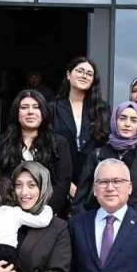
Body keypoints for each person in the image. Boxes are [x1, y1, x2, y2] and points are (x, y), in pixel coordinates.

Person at [0, 89, 73, 217]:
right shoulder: (1, 143)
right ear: (16, 112)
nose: (30, 112)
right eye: (24, 107)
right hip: (9, 215)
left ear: (43, 112)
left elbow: (63, 183)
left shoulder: (59, 143)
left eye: (36, 107)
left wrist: (43, 211)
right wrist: (12, 211)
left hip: (48, 215)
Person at [75, 101, 137, 216]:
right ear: (114, 121)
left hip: (136, 223)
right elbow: (81, 197)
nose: (127, 124)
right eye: (122, 118)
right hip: (98, 221)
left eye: (134, 120)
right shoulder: (97, 154)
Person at [51, 57, 109, 199]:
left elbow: (105, 147)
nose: (84, 76)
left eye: (89, 74)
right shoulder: (53, 108)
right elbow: (47, 146)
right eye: (80, 71)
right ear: (68, 75)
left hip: (93, 183)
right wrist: (67, 184)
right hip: (59, 181)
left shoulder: (102, 109)